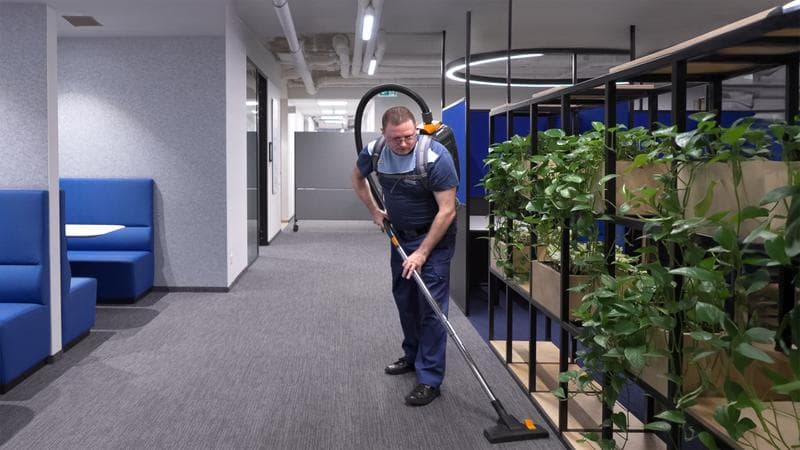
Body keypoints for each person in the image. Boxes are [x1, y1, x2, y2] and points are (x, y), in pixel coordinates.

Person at [351, 106, 458, 406]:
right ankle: (412, 356)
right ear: (384, 134)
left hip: (434, 240)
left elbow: (448, 210)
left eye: (409, 136)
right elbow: (357, 178)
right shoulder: (375, 151)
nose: (403, 144)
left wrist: (423, 252)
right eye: (396, 138)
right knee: (406, 299)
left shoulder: (435, 156)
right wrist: (374, 210)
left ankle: (430, 379)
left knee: (432, 307)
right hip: (399, 237)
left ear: (416, 131)